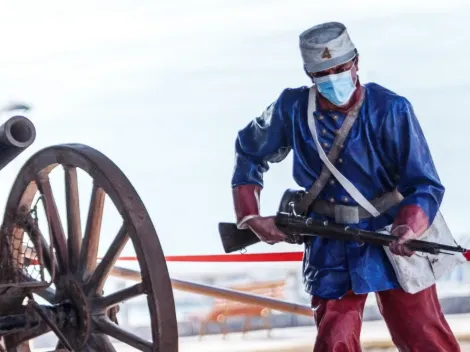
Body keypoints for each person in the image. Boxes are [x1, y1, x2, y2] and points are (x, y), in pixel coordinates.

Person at [230, 21, 460, 351]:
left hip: (390, 233)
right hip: (329, 241)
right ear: (310, 76)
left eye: (340, 68)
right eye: (324, 73)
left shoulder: (391, 109)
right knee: (334, 338)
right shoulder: (292, 109)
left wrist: (409, 227)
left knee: (423, 333)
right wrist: (250, 217)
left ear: (356, 64)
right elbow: (249, 149)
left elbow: (423, 183)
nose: (334, 79)